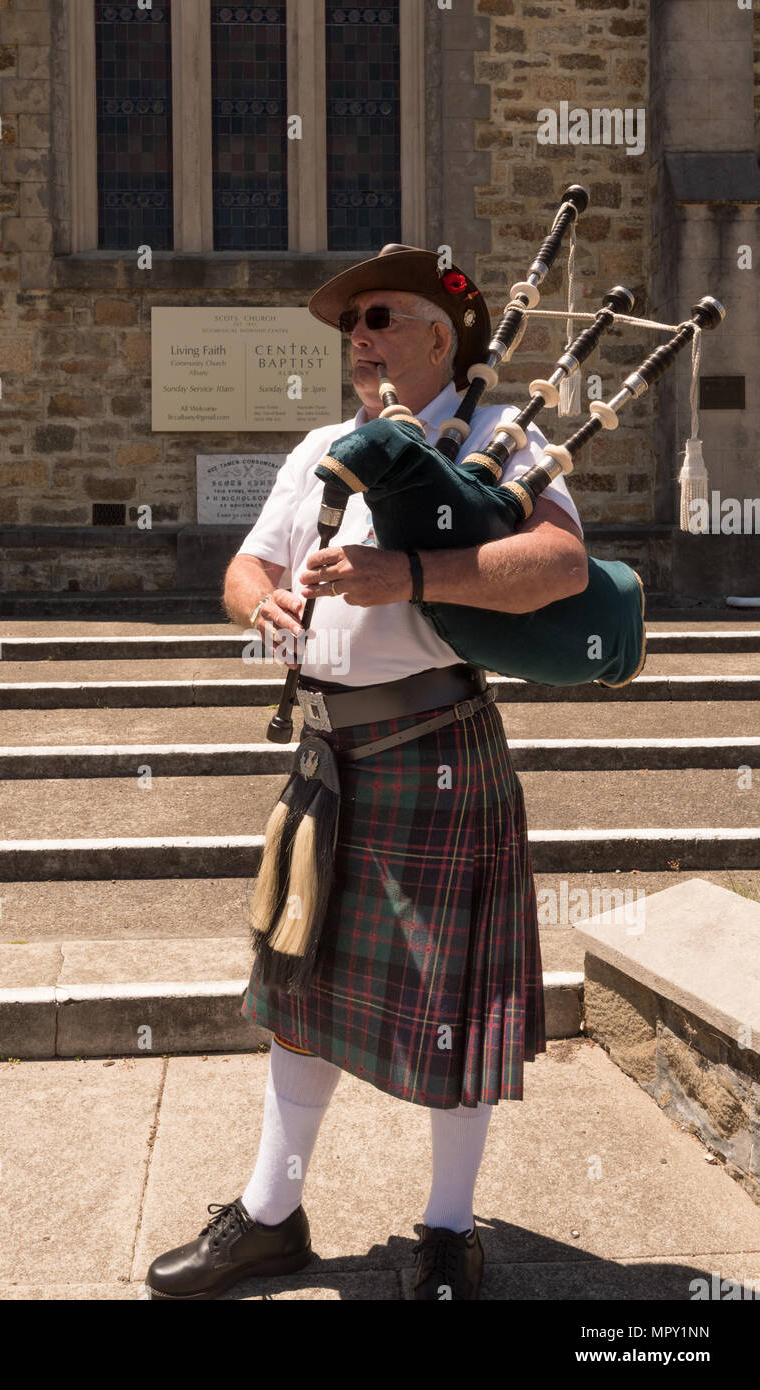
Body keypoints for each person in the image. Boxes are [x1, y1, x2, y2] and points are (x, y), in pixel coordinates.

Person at [144, 245, 588, 1301]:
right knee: (297, 989)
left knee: (453, 1005)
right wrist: (257, 601)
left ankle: (448, 1234)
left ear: (445, 333)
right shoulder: (321, 447)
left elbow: (563, 566)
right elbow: (243, 563)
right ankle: (268, 1216)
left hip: (435, 751)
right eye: (350, 325)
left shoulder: (500, 438)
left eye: (380, 317)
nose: (360, 337)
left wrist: (415, 574)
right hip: (326, 760)